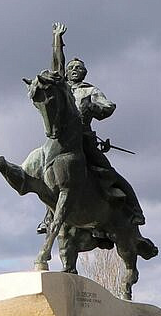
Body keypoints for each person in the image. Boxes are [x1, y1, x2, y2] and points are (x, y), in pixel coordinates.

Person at [39, 25, 144, 233]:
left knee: (109, 172)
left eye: (78, 68)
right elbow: (56, 65)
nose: (74, 70)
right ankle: (48, 217)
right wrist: (57, 39)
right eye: (71, 68)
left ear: (84, 72)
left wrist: (93, 107)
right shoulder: (63, 87)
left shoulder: (90, 90)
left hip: (84, 139)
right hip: (60, 138)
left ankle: (134, 209)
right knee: (43, 173)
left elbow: (108, 107)